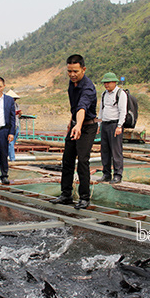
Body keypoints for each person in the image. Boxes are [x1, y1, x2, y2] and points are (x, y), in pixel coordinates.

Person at [49, 54, 97, 209]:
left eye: (75, 71)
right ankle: (66, 195)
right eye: (69, 71)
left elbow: (82, 107)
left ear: (83, 69)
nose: (72, 74)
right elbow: (75, 108)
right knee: (67, 159)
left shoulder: (88, 87)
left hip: (87, 126)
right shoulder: (72, 84)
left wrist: (79, 125)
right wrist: (72, 122)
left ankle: (84, 198)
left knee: (82, 160)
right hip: (76, 123)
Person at [98, 72, 127, 184]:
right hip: (105, 124)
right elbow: (101, 110)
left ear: (114, 82)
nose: (106, 85)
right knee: (105, 150)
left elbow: (122, 111)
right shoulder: (104, 94)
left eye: (108, 82)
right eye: (105, 83)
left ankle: (118, 174)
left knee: (116, 150)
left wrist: (119, 126)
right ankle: (106, 174)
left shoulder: (120, 93)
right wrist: (99, 125)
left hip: (115, 124)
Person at [6, 89, 22, 161]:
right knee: (10, 143)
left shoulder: (16, 105)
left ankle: (7, 157)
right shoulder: (6, 105)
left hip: (16, 125)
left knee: (12, 143)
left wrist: (19, 114)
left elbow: (17, 117)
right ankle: (12, 159)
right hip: (10, 126)